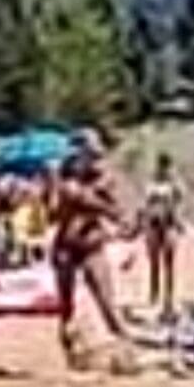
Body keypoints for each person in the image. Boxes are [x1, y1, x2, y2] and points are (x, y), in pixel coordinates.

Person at [49, 134, 132, 367]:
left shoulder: (101, 178)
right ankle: (73, 354)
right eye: (92, 155)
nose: (96, 160)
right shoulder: (63, 177)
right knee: (66, 306)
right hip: (66, 244)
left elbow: (117, 209)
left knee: (106, 301)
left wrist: (114, 214)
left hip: (91, 244)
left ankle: (125, 350)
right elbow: (57, 210)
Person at [139, 153, 186, 316]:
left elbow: (180, 198)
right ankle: (154, 293)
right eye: (163, 165)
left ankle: (168, 296)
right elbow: (146, 202)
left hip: (169, 224)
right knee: (154, 262)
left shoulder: (174, 183)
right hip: (154, 224)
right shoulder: (152, 183)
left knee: (169, 262)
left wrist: (174, 181)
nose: (165, 168)